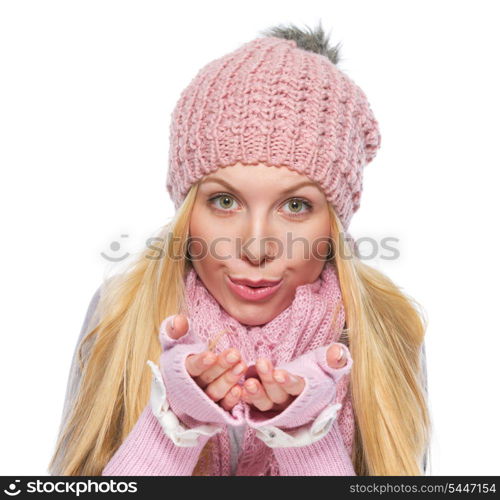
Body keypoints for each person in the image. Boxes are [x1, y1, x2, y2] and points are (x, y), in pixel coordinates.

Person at [48, 22, 430, 476]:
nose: (255, 246)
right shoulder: (121, 311)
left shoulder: (385, 325)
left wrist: (306, 439)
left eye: (295, 204)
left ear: (334, 224)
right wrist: (172, 426)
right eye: (224, 201)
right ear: (188, 211)